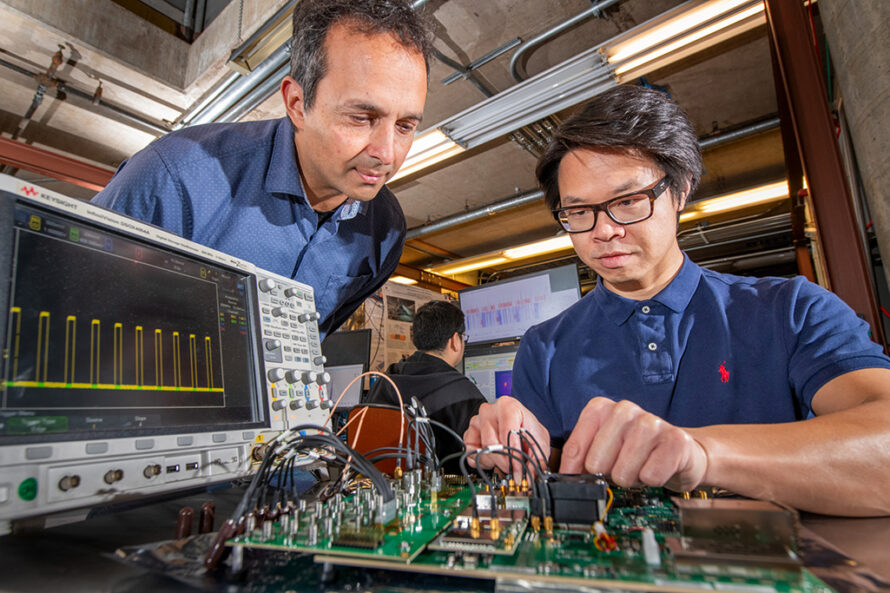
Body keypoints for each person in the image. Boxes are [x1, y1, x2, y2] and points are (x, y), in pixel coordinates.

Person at [464, 85, 890, 516]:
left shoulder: (792, 310)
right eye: (578, 212)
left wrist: (700, 455)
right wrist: (521, 455)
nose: (604, 230)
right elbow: (544, 485)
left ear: (681, 189)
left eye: (628, 202)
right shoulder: (544, 347)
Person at [91, 0, 432, 338]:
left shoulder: (386, 231)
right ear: (297, 104)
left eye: (404, 126)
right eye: (361, 118)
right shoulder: (173, 177)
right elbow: (63, 308)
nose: (387, 154)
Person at [367, 300, 486, 472]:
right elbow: (480, 463)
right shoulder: (464, 393)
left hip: (380, 490)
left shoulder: (384, 381)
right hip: (444, 496)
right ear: (455, 340)